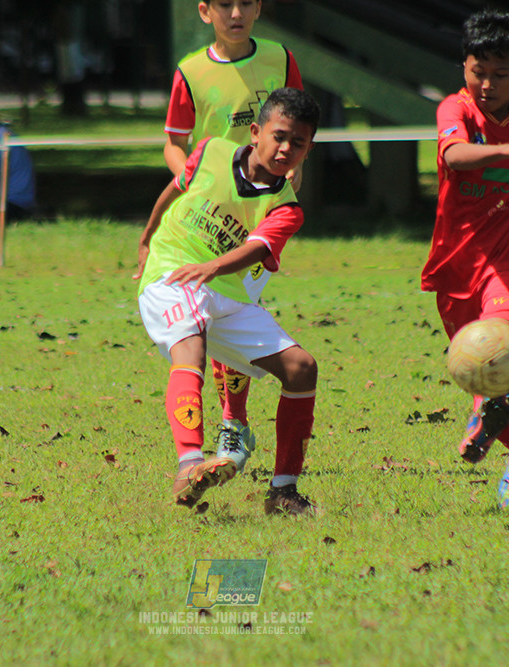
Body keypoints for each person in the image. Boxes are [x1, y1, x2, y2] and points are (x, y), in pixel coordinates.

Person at [135, 87, 320, 516]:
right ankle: (189, 464)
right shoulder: (212, 150)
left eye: (299, 142)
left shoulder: (287, 207)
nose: (286, 148)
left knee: (301, 368)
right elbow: (177, 186)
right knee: (192, 346)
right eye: (280, 136)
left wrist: (215, 268)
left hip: (224, 289)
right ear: (256, 133)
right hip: (173, 273)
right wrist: (147, 238)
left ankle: (284, 491)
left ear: (309, 149)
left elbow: (257, 249)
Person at [421, 9, 509, 508]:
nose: (486, 83)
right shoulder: (453, 111)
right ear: (463, 67)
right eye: (477, 70)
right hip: (459, 258)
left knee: (499, 343)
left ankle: (486, 413)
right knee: (483, 372)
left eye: (500, 74)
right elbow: (455, 156)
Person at [160, 0, 304, 475]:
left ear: (259, 8)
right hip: (209, 220)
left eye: (246, 3)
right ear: (205, 12)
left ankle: (232, 421)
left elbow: (299, 123)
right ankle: (234, 422)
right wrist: (193, 182)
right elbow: (174, 143)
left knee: (238, 308)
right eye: (225, 4)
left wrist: (292, 173)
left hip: (262, 212)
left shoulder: (281, 59)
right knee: (210, 318)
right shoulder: (191, 71)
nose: (236, 12)